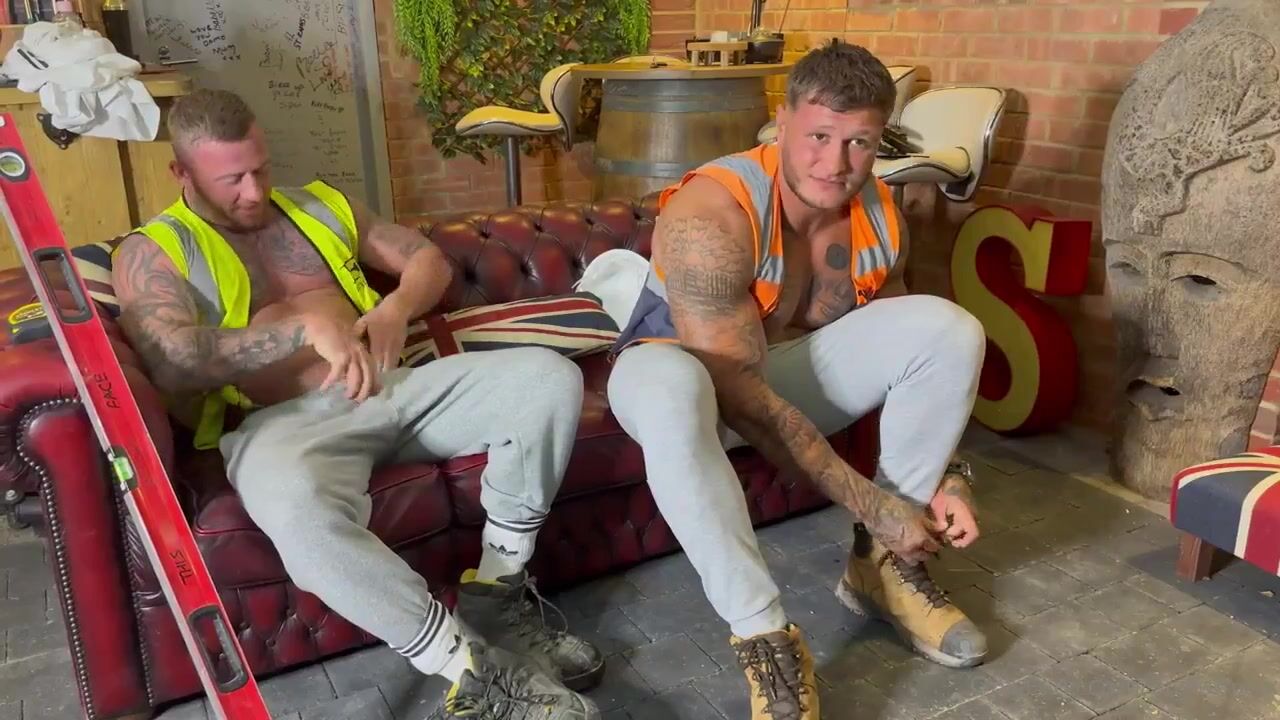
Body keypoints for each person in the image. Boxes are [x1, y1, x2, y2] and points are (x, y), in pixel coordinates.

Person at [110, 88, 604, 720]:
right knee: (294, 510)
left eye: (261, 169)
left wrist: (397, 306)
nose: (254, 191)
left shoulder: (320, 205)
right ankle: (471, 669)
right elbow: (171, 357)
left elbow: (426, 260)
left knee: (546, 379)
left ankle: (498, 597)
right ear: (181, 172)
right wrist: (299, 332)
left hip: (391, 387)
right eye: (230, 180)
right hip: (279, 426)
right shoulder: (153, 250)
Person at [607, 40, 988, 719]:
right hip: (676, 381)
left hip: (777, 372)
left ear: (879, 140)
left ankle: (883, 569)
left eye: (858, 143)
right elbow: (736, 393)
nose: (835, 164)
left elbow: (908, 355)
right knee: (673, 387)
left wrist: (947, 477)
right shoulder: (711, 212)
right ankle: (766, 641)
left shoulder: (880, 215)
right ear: (780, 124)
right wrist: (874, 504)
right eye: (818, 136)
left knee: (948, 327)